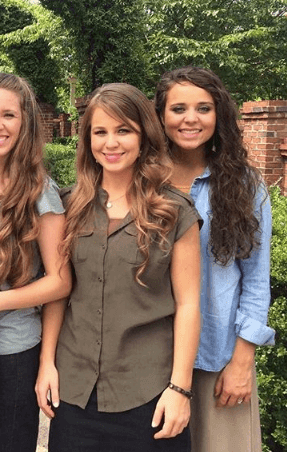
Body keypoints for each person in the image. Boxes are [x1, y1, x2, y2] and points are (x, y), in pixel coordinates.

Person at [36, 83, 201, 451]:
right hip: (75, 391)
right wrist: (47, 364)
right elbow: (58, 291)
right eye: (100, 132)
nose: (111, 143)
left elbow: (189, 304)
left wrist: (180, 388)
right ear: (88, 139)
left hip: (149, 393)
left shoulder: (174, 211)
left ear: (144, 137)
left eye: (123, 130)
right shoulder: (68, 206)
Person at [154, 66, 274, 452]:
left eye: (203, 108)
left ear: (218, 115)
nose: (191, 118)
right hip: (149, 357)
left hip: (217, 358)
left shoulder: (245, 187)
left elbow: (256, 279)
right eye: (178, 108)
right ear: (160, 116)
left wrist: (242, 362)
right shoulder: (142, 182)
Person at [0, 72, 72, 452]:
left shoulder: (40, 191)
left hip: (12, 354)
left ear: (26, 121)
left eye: (9, 115)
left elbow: (60, 281)